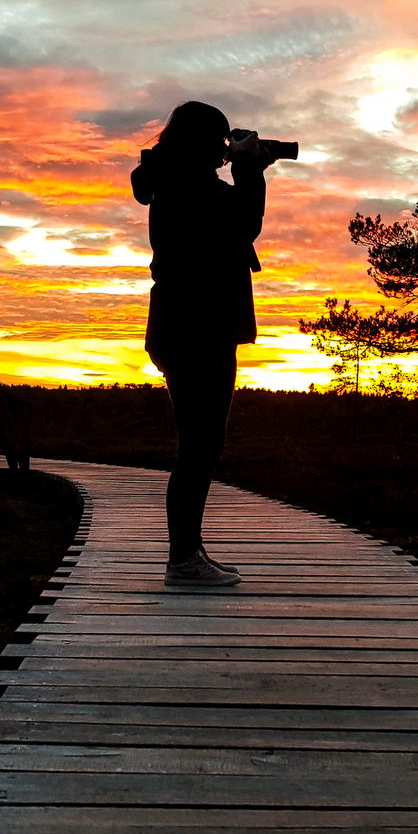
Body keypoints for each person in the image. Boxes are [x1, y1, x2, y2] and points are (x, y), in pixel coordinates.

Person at [131, 101, 273, 587]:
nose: (224, 149)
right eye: (219, 139)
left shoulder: (174, 181)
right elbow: (243, 222)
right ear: (201, 141)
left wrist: (245, 166)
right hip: (199, 327)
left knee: (200, 445)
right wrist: (250, 169)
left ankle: (188, 553)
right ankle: (183, 560)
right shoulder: (188, 186)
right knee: (200, 446)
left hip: (186, 325)